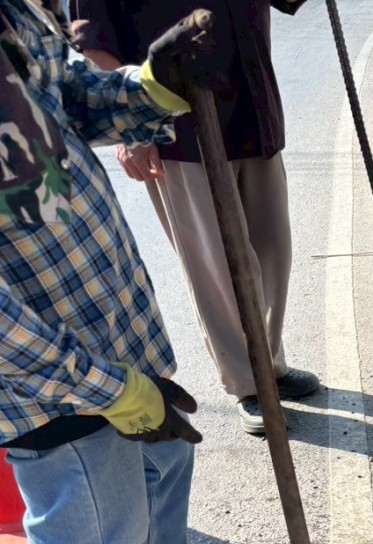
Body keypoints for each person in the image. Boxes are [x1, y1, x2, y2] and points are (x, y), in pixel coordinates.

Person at [1, 1, 237, 544]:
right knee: (91, 528)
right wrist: (105, 390)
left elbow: (65, 93)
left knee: (161, 463)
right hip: (43, 372)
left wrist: (151, 87)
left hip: (106, 317)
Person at [69, 0, 317, 437]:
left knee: (272, 252)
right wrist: (133, 129)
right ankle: (249, 382)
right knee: (219, 267)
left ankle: (270, 365)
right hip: (180, 134)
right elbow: (96, 45)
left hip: (254, 111)